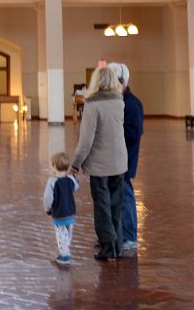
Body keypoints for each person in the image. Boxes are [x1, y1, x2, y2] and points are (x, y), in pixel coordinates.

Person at [70, 64, 127, 261]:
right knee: (116, 205)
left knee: (102, 206)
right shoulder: (119, 102)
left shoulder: (93, 105)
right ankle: (118, 245)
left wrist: (75, 163)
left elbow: (86, 141)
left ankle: (108, 247)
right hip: (119, 162)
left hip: (100, 166)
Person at [111, 62, 143, 254]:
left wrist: (113, 131)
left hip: (125, 158)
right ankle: (118, 234)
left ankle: (130, 237)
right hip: (116, 158)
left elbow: (134, 132)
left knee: (126, 198)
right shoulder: (119, 102)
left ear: (122, 82)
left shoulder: (131, 104)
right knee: (117, 197)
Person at [43, 151, 81, 267]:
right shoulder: (70, 179)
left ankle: (64, 255)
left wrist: (48, 209)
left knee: (60, 234)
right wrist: (72, 175)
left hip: (59, 213)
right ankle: (65, 249)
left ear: (54, 167)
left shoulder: (52, 181)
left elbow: (48, 198)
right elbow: (77, 187)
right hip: (70, 211)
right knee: (68, 233)